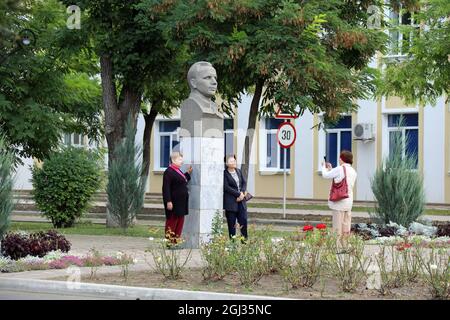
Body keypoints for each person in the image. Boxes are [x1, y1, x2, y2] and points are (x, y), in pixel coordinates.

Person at [321, 150, 357, 242]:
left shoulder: (340, 168)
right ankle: (345, 246)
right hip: (348, 202)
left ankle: (337, 247)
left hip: (339, 202)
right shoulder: (353, 171)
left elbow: (325, 175)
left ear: (342, 159)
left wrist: (323, 167)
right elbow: (339, 178)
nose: (339, 160)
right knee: (346, 225)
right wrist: (331, 169)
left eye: (339, 158)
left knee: (337, 226)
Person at [162, 152, 193, 244]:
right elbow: (166, 188)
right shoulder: (169, 172)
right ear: (173, 160)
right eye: (180, 159)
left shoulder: (178, 170)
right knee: (172, 222)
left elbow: (182, 181)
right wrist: (168, 201)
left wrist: (187, 173)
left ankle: (175, 242)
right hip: (173, 202)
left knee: (180, 222)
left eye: (181, 159)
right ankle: (169, 242)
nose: (182, 161)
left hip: (181, 202)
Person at [223, 154, 248, 241]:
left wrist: (242, 193)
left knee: (243, 221)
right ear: (226, 163)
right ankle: (232, 243)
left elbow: (244, 183)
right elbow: (226, 187)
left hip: (241, 202)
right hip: (231, 203)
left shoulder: (239, 171)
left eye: (234, 160)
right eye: (231, 161)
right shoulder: (224, 174)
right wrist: (238, 194)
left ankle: (244, 241)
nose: (233, 162)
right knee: (231, 224)